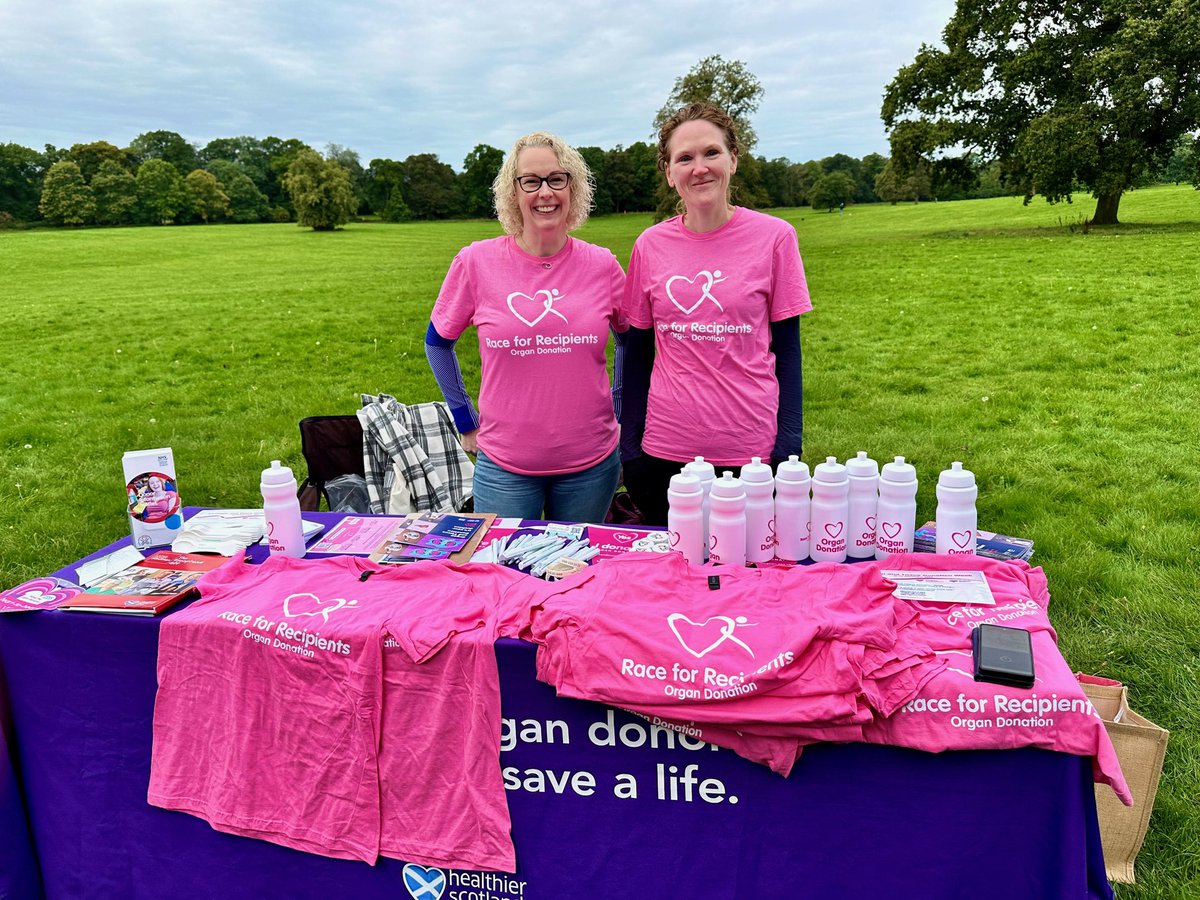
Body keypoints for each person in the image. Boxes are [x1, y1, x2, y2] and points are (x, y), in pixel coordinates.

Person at [619, 102, 812, 525]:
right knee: (670, 580)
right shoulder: (649, 246)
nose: (699, 167)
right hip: (664, 454)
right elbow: (636, 355)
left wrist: (788, 446)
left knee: (751, 579)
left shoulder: (776, 237)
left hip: (752, 454)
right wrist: (630, 450)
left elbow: (789, 352)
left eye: (711, 153)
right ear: (669, 173)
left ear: (733, 161)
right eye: (684, 158)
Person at [424, 132, 626, 523]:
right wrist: (465, 420)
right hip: (505, 468)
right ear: (513, 192)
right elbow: (437, 343)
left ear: (573, 187)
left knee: (576, 575)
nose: (545, 192)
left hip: (591, 464)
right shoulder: (476, 262)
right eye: (530, 181)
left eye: (556, 179)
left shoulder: (601, 264)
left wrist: (621, 405)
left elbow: (631, 341)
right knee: (504, 576)